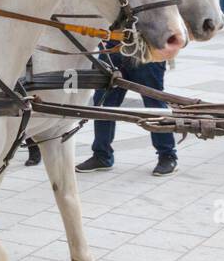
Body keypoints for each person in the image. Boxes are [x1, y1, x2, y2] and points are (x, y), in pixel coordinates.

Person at [76, 46, 178, 177]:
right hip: (112, 50)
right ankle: (102, 155)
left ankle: (167, 156)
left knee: (154, 104)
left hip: (146, 50)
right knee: (103, 104)